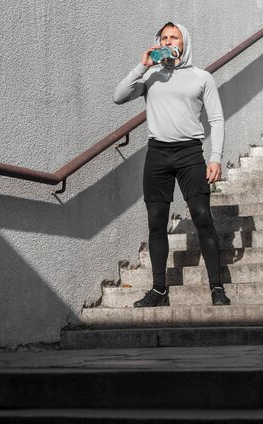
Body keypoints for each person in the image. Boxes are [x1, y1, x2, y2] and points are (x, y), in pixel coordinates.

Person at [113, 22, 230, 307]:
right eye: (163, 37)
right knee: (156, 223)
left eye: (173, 36)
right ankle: (159, 291)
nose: (168, 41)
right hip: (157, 155)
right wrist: (141, 66)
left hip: (190, 153)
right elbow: (118, 97)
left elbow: (216, 118)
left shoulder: (202, 77)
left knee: (202, 217)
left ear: (184, 42)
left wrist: (215, 157)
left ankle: (216, 288)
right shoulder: (151, 77)